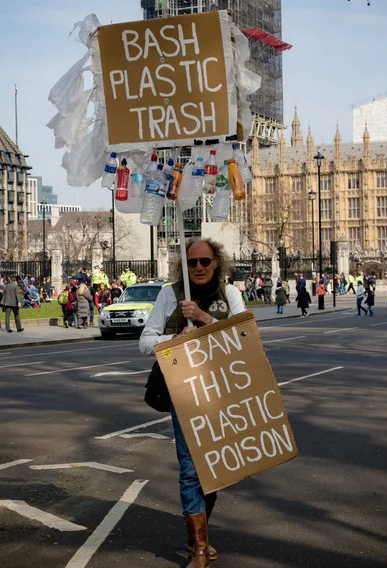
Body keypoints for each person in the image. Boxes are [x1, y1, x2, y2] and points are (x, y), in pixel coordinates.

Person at [139, 238, 246, 568]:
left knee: (215, 468)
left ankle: (198, 535)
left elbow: (245, 337)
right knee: (190, 468)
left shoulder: (230, 295)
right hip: (183, 390)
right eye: (192, 263)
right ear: (183, 267)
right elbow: (145, 342)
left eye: (205, 261)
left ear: (216, 263)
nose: (199, 268)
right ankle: (198, 548)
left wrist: (204, 319)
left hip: (222, 391)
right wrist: (173, 340)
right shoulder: (170, 294)